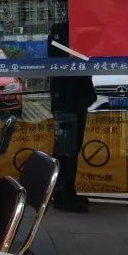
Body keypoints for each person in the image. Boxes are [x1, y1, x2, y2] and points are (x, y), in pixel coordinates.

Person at [48, 19, 96, 213]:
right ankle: (62, 195)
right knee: (65, 150)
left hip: (77, 99)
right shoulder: (61, 31)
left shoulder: (83, 29)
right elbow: (64, 60)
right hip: (65, 99)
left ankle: (68, 191)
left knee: (73, 148)